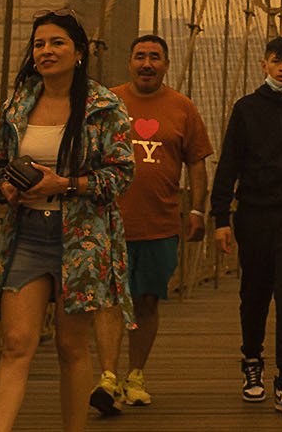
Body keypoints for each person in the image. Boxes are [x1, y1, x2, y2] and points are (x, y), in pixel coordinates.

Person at [0, 8, 136, 432]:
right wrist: (4, 187)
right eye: (39, 44)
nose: (46, 51)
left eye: (57, 43)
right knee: (16, 344)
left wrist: (65, 184)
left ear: (78, 53)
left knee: (70, 346)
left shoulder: (104, 106)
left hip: (80, 240)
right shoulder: (18, 104)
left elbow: (121, 176)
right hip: (27, 235)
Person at [90, 33, 211, 412]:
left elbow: (197, 161)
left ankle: (135, 375)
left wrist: (197, 211)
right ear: (129, 61)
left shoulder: (182, 107)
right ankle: (108, 379)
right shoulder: (106, 102)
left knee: (145, 302)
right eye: (140, 56)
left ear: (166, 64)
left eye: (155, 57)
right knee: (110, 299)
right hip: (109, 222)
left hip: (159, 222)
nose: (147, 63)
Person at [211, 35, 282, 416]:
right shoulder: (246, 109)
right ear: (264, 65)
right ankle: (251, 363)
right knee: (255, 294)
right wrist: (220, 218)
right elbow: (228, 162)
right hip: (254, 213)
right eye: (276, 60)